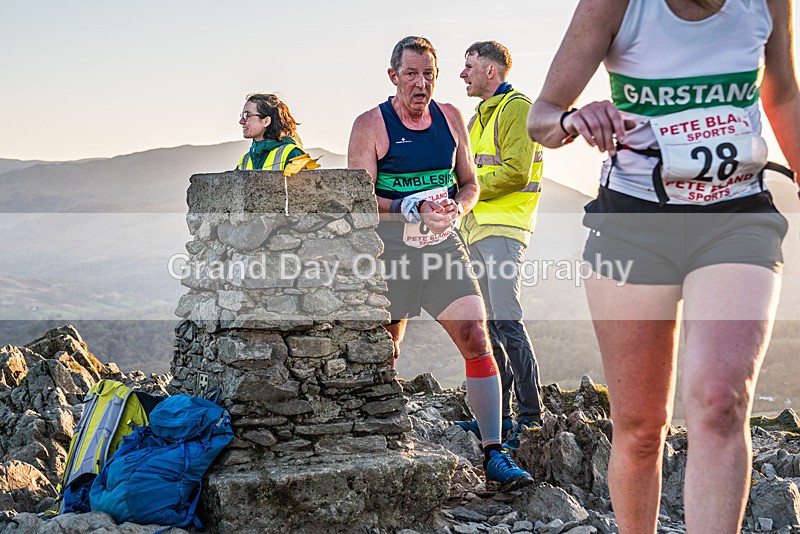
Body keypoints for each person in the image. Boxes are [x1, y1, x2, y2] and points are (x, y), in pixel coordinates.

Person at [527, 1, 800, 533]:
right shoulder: (616, 5)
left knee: (722, 401)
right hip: (634, 223)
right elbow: (542, 117)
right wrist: (573, 119)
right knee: (640, 429)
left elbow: (782, 91)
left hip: (736, 215)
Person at [347, 35, 533, 491]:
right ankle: (378, 443)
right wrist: (407, 207)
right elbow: (355, 202)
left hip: (444, 251)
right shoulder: (371, 125)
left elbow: (469, 184)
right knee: (385, 355)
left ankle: (494, 450)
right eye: (411, 73)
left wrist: (458, 208)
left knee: (476, 335)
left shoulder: (451, 118)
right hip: (391, 257)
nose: (421, 83)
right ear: (394, 76)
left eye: (429, 74)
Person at [454, 40, 545, 449]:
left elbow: (513, 173)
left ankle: (530, 418)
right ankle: (501, 418)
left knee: (507, 321)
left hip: (505, 231)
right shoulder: (477, 119)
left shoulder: (517, 109)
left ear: (492, 71)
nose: (463, 74)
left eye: (469, 66)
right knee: (490, 328)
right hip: (476, 232)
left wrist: (464, 192)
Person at [236, 93, 306, 170]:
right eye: (242, 115)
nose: (241, 121)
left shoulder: (293, 154)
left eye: (247, 115)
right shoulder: (243, 162)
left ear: (266, 121)